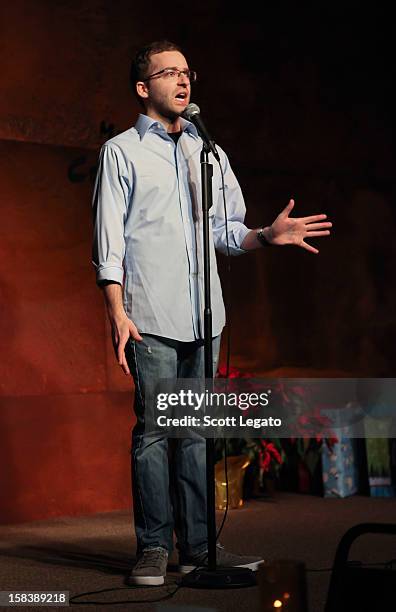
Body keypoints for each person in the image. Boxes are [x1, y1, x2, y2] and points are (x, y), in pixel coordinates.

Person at [92, 40, 332, 586]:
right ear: (142, 87)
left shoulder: (209, 152)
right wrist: (116, 313)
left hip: (206, 317)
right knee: (155, 431)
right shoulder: (122, 151)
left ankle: (198, 548)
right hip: (149, 313)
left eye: (186, 72)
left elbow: (228, 232)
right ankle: (153, 547)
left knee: (196, 431)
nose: (182, 81)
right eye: (168, 73)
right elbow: (108, 245)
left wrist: (266, 237)